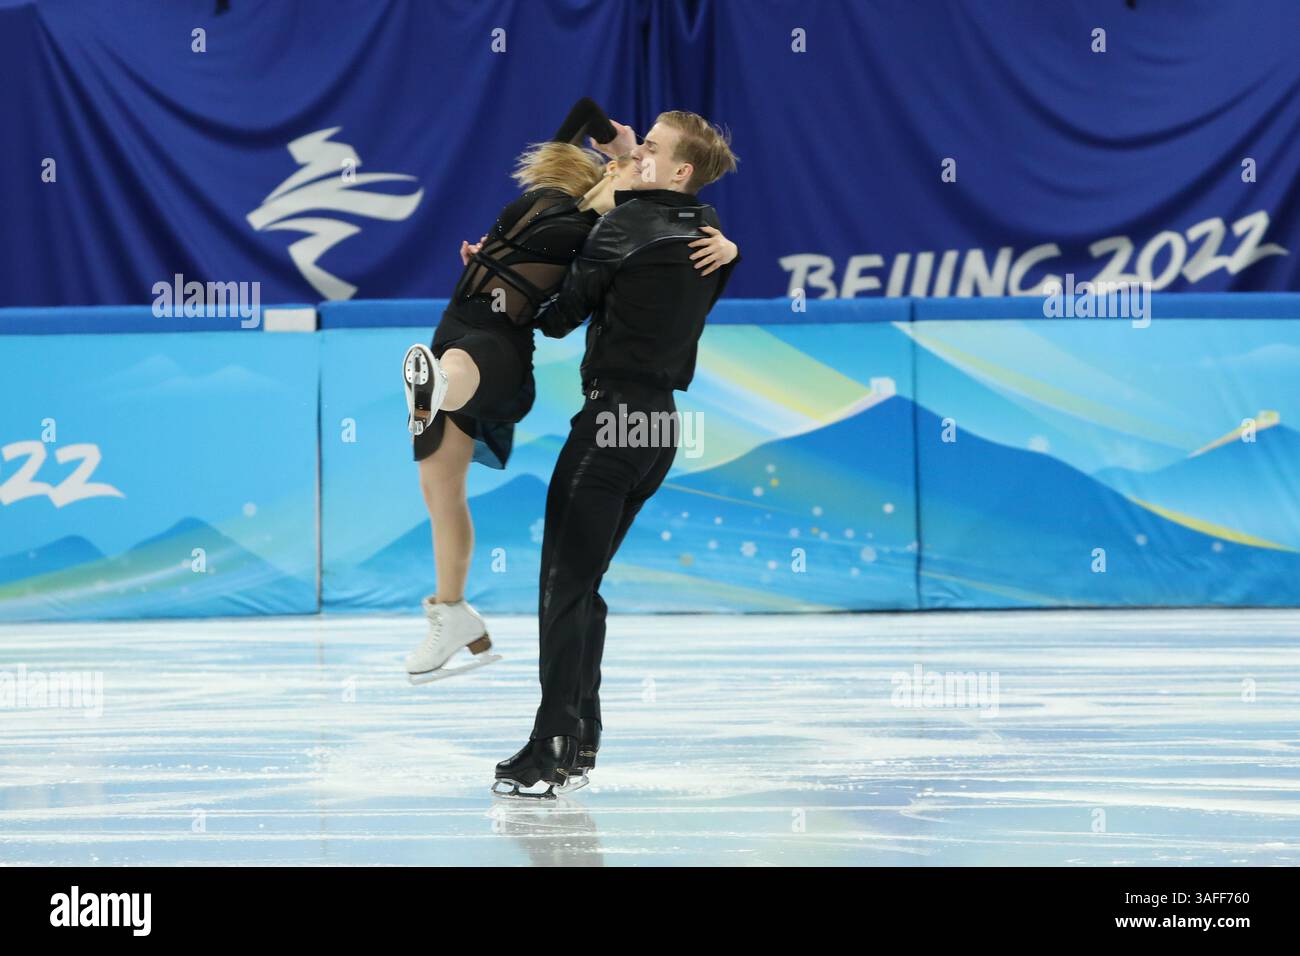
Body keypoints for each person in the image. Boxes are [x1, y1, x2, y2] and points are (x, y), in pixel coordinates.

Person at [401, 100, 739, 683]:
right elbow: (583, 113)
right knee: (440, 488)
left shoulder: (613, 232)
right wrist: (618, 143)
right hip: (457, 318)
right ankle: (452, 611)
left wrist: (730, 249)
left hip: (500, 348)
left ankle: (441, 384)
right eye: (629, 162)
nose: (630, 166)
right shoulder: (557, 191)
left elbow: (655, 254)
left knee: (457, 371)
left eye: (644, 161)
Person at [493, 110, 740, 797]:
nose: (632, 158)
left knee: (562, 589)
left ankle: (552, 748)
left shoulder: (626, 227)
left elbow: (555, 317)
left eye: (651, 151)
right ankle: (580, 739)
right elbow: (694, 248)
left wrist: (508, 274)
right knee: (582, 585)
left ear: (680, 171)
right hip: (657, 429)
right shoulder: (708, 235)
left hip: (610, 421)